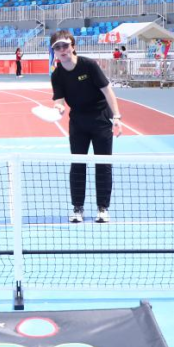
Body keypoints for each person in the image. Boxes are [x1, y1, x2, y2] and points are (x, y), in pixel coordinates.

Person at [49, 30, 123, 224]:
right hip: (78, 122)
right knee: (77, 165)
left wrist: (116, 116)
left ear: (72, 46)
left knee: (103, 165)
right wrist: (58, 107)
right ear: (54, 51)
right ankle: (77, 208)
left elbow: (107, 91)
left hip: (100, 120)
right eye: (58, 47)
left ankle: (103, 208)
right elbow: (59, 99)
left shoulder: (89, 65)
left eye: (65, 45)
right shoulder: (57, 75)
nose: (62, 49)